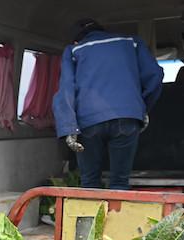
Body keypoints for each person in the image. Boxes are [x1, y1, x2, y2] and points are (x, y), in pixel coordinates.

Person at [53, 20, 163, 190]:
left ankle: (92, 216)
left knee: (89, 182)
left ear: (77, 40)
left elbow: (66, 89)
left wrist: (69, 128)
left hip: (88, 121)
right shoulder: (132, 43)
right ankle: (118, 216)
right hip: (127, 117)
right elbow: (155, 75)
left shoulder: (73, 50)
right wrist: (141, 108)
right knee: (119, 181)